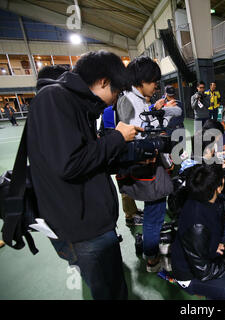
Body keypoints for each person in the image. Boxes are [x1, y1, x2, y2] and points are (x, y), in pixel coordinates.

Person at [28, 50, 141, 300]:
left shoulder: (75, 104)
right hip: (83, 229)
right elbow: (70, 164)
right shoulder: (54, 99)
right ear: (102, 81)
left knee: (112, 287)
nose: (115, 100)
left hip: (91, 222)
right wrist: (117, 138)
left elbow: (86, 158)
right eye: (116, 91)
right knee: (110, 293)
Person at [117, 56, 175, 272]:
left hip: (148, 164)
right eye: (153, 81)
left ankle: (151, 253)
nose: (155, 86)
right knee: (154, 214)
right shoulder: (128, 100)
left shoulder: (138, 99)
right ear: (142, 80)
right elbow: (132, 136)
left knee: (155, 212)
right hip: (145, 166)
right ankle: (152, 259)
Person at [171, 164, 225, 300]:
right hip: (189, 275)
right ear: (218, 188)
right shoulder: (198, 225)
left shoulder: (203, 197)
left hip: (196, 250)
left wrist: (213, 246)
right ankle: (206, 291)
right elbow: (204, 272)